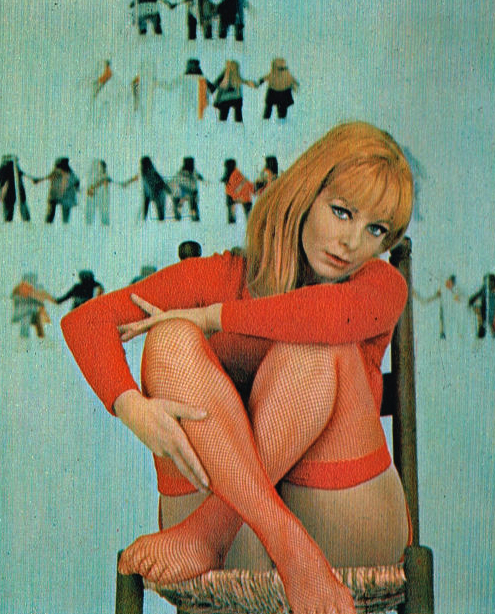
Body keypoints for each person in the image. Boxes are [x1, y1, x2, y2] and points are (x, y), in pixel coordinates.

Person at [61, 121, 414, 614]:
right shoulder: (223, 275)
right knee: (168, 339)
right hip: (246, 545)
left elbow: (327, 316)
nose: (352, 242)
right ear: (305, 196)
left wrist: (214, 317)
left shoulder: (379, 283)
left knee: (313, 344)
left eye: (376, 230)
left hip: (341, 527)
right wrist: (132, 407)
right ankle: (275, 544)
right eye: (341, 212)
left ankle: (216, 532)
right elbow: (86, 321)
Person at [34, 157, 80, 224]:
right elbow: (48, 177)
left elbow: (76, 183)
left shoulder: (70, 174)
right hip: (56, 195)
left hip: (65, 196)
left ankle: (62, 226)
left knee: (64, 215)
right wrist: (38, 180)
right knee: (52, 212)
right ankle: (50, 224)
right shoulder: (58, 172)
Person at [11, 273, 55, 339]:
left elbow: (41, 304)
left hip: (35, 315)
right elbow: (18, 304)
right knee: (26, 317)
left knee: (37, 318)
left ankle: (41, 338)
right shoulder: (18, 292)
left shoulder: (37, 291)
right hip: (23, 314)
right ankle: (24, 339)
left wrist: (35, 296)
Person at [0, 154, 32, 222]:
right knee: (23, 215)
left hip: (10, 196)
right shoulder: (12, 169)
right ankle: (26, 222)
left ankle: (22, 221)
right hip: (15, 194)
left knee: (8, 216)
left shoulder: (4, 169)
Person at [137, 156, 172, 221]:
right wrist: (169, 190)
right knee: (160, 212)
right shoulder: (150, 172)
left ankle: (144, 219)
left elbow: (161, 182)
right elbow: (161, 182)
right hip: (156, 194)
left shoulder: (146, 172)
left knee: (156, 211)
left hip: (155, 193)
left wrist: (168, 190)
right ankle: (145, 219)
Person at [221, 158, 254, 223]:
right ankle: (232, 220)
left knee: (249, 217)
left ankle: (232, 221)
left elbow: (245, 184)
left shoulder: (235, 174)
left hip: (242, 196)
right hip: (241, 197)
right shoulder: (232, 174)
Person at [171, 157, 204, 221]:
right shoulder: (193, 172)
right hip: (188, 192)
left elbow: (175, 180)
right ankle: (193, 216)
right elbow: (200, 177)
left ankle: (178, 215)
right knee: (192, 205)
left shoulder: (182, 172)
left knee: (180, 203)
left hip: (185, 192)